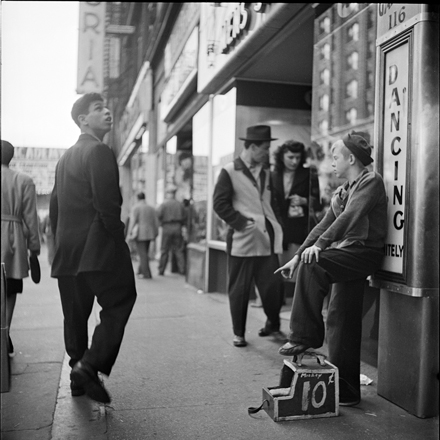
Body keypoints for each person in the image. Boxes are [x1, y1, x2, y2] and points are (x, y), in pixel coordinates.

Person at [275, 132, 387, 406]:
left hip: (363, 253)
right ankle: (347, 391)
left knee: (315, 266)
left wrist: (318, 250)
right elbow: (323, 225)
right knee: (341, 321)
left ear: (351, 158)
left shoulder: (370, 181)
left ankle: (305, 335)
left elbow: (349, 219)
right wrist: (298, 255)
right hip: (347, 254)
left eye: (335, 156)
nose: (332, 162)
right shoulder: (343, 190)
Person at [49, 93, 137, 404]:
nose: (107, 112)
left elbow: (55, 209)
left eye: (106, 107)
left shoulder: (64, 159)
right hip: (98, 247)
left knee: (75, 315)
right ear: (83, 119)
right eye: (98, 109)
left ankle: (77, 374)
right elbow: (108, 206)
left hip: (68, 252)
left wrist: (57, 248)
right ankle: (89, 365)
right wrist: (119, 239)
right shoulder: (99, 151)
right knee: (120, 300)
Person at [213, 125, 284, 347]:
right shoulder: (229, 170)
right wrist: (242, 223)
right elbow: (219, 204)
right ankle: (239, 333)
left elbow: (270, 202)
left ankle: (273, 324)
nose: (268, 152)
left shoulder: (266, 171)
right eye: (265, 148)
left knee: (273, 287)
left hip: (266, 241)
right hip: (242, 241)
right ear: (252, 147)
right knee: (240, 289)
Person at [1, 140, 41, 357]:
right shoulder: (23, 180)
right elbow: (31, 218)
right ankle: (4, 334)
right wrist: (34, 247)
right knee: (10, 288)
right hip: (12, 239)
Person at [271, 140, 322, 294]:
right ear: (281, 156)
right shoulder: (273, 174)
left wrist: (305, 201)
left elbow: (319, 202)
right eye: (290, 157)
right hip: (277, 223)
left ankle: (294, 298)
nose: (294, 161)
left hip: (298, 225)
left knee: (296, 263)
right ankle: (277, 299)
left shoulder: (309, 174)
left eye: (298, 158)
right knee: (276, 263)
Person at [128, 191, 159, 279]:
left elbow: (133, 221)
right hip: (150, 233)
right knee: (144, 252)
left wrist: (129, 233)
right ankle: (141, 270)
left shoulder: (136, 207)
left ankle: (146, 274)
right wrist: (156, 232)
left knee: (142, 254)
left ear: (137, 198)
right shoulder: (151, 208)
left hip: (140, 233)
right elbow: (156, 222)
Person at [157, 186, 186, 276]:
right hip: (177, 227)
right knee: (178, 249)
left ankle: (161, 270)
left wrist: (161, 223)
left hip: (167, 227)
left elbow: (158, 215)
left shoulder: (164, 204)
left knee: (164, 250)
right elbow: (185, 216)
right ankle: (182, 270)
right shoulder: (179, 204)